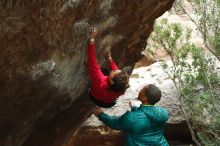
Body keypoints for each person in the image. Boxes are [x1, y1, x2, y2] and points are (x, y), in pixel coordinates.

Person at [93, 84, 169, 146]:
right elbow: (145, 116)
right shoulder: (163, 113)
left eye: (142, 90)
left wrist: (100, 114)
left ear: (145, 98)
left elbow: (115, 123)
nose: (140, 90)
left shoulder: (131, 117)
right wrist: (135, 108)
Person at [87, 27, 130, 108]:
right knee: (106, 71)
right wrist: (109, 59)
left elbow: (92, 61)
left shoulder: (100, 80)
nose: (114, 70)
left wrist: (92, 39)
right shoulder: (122, 87)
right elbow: (116, 72)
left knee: (103, 71)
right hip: (108, 103)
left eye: (114, 72)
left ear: (110, 80)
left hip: (94, 96)